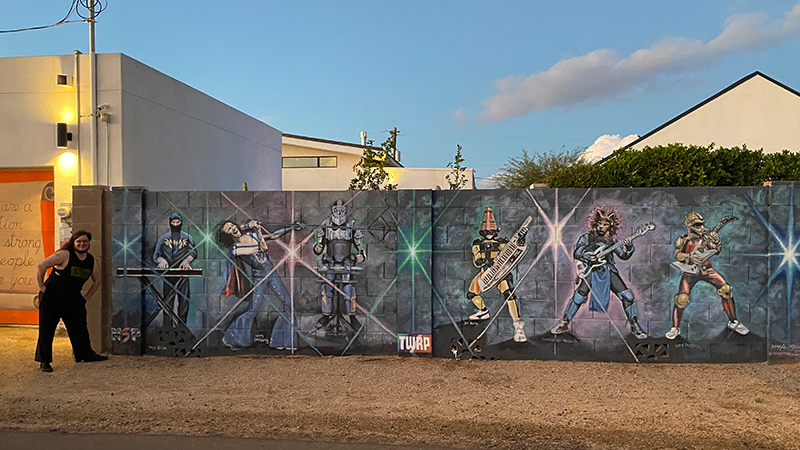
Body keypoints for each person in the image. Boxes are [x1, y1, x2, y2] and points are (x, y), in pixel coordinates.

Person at [551, 208, 648, 339]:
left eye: (605, 224)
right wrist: (586, 255)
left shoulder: (612, 241)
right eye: (600, 224)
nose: (601, 227)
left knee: (628, 296)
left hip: (607, 270)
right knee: (579, 296)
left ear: (610, 226)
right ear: (595, 224)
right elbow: (577, 253)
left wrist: (630, 247)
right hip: (591, 270)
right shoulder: (586, 238)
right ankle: (565, 322)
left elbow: (624, 256)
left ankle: (634, 326)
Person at [218, 220, 298, 350]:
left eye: (233, 225)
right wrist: (253, 228)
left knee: (288, 303)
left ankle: (281, 341)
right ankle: (232, 336)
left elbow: (273, 236)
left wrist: (291, 228)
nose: (233, 228)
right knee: (253, 309)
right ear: (227, 235)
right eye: (229, 229)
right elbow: (257, 247)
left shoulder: (250, 236)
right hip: (260, 278)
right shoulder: (236, 249)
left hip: (272, 274)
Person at [666, 213, 749, 339]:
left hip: (706, 270)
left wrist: (716, 242)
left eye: (701, 224)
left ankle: (733, 322)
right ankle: (675, 328)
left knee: (726, 290)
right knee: (682, 299)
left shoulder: (705, 238)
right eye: (697, 225)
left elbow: (716, 251)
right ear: (689, 226)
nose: (701, 227)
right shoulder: (683, 240)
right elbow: (677, 255)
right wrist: (689, 256)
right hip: (689, 273)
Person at [34, 230, 107, 372]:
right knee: (47, 329)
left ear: (89, 243)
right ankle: (44, 361)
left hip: (73, 298)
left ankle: (85, 355)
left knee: (79, 328)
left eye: (85, 241)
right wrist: (41, 286)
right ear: (73, 242)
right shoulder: (64, 255)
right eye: (79, 241)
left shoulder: (91, 260)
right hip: (53, 297)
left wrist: (85, 298)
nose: (82, 244)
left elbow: (97, 281)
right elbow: (41, 266)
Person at [466, 207, 527, 343]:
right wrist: (484, 260)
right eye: (487, 231)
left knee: (509, 295)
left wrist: (521, 239)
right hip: (485, 273)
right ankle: (483, 311)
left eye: (491, 231)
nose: (489, 233)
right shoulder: (477, 244)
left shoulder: (502, 243)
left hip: (500, 273)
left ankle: (518, 326)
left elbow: (512, 251)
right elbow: (476, 260)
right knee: (471, 294)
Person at [313, 200, 366, 330]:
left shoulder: (351, 227)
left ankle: (352, 317)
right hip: (330, 262)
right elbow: (318, 246)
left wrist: (361, 256)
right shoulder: (325, 226)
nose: (339, 212)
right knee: (327, 289)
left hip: (347, 262)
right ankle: (326, 316)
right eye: (337, 209)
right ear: (332, 210)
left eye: (341, 209)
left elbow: (360, 246)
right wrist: (318, 249)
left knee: (349, 290)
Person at [153, 212, 197, 328]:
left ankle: (182, 328)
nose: (176, 224)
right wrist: (161, 260)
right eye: (174, 222)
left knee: (184, 302)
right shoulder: (163, 238)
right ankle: (167, 329)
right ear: (170, 223)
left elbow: (193, 252)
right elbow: (156, 254)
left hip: (183, 274)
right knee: (168, 302)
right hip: (168, 274)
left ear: (181, 223)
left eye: (178, 222)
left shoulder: (188, 238)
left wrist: (187, 260)